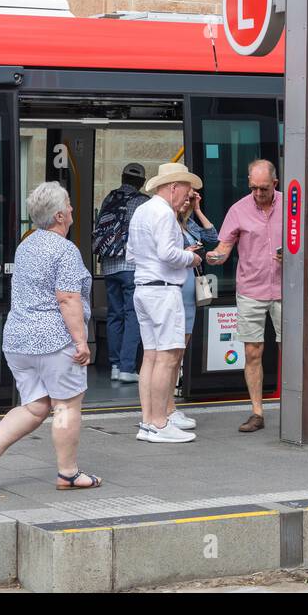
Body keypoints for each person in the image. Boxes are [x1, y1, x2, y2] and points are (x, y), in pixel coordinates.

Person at [0, 182, 101, 493]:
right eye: (68, 204)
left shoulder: (25, 245)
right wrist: (81, 342)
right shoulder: (65, 250)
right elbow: (68, 298)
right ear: (58, 215)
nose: (71, 209)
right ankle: (68, 474)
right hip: (54, 341)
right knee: (66, 405)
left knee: (35, 407)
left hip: (18, 339)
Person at [128, 162, 204, 443]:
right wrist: (191, 258)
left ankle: (148, 422)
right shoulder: (163, 214)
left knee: (150, 356)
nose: (188, 196)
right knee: (168, 356)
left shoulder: (141, 211)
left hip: (143, 289)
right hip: (163, 291)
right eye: (186, 190)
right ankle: (160, 423)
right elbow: (168, 254)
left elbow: (131, 255)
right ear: (173, 187)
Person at [206, 159, 282, 433]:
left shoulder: (290, 206)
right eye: (254, 188)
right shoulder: (238, 210)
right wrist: (215, 257)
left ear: (275, 183)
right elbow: (224, 247)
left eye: (263, 188)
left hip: (287, 290)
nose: (258, 194)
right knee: (253, 351)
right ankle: (257, 412)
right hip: (251, 289)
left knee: (293, 351)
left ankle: (294, 406)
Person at [94, 164, 148, 383]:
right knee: (132, 314)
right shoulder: (143, 202)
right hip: (131, 267)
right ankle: (127, 367)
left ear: (122, 177)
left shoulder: (109, 199)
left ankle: (115, 365)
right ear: (141, 182)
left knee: (114, 315)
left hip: (109, 266)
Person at [178, 187, 220, 342]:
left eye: (190, 199)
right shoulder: (167, 220)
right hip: (177, 280)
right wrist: (186, 251)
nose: (187, 202)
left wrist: (197, 209)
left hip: (193, 279)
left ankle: (180, 365)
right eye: (186, 198)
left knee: (187, 330)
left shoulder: (189, 223)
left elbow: (213, 236)